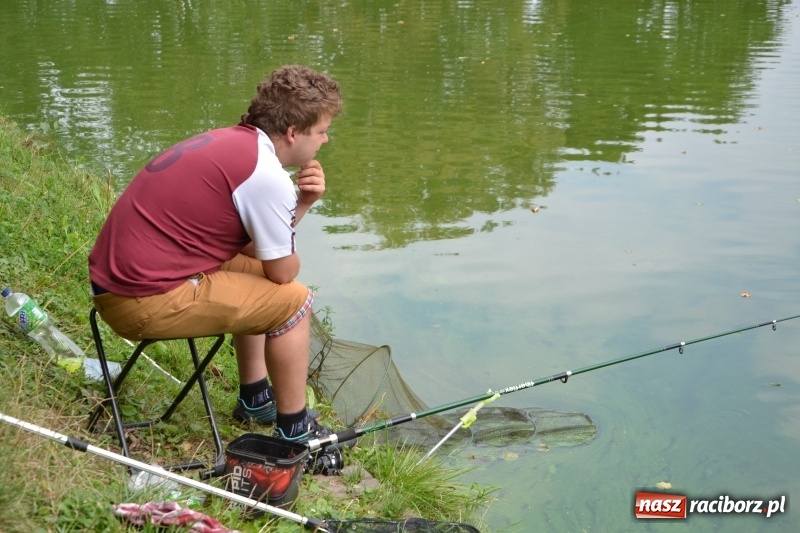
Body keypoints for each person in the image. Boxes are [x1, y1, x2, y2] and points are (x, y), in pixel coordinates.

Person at [88, 65, 343, 445]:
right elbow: (283, 272)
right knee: (295, 303)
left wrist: (301, 202)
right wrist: (295, 208)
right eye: (322, 131)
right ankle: (295, 429)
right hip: (141, 300)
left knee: (257, 276)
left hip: (120, 283)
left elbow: (254, 250)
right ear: (294, 132)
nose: (324, 141)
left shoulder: (235, 143)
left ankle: (255, 397)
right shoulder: (266, 175)